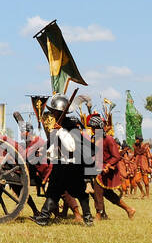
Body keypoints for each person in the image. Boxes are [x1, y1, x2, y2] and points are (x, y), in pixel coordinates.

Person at [35, 95, 93, 226]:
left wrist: (60, 131)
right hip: (60, 164)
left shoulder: (71, 126)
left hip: (72, 166)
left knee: (80, 193)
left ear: (60, 112)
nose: (53, 113)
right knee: (53, 192)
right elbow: (52, 143)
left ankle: (88, 219)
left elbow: (71, 146)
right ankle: (43, 218)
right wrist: (43, 150)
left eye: (55, 111)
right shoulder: (57, 126)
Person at [90, 115, 135, 219]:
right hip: (97, 168)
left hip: (106, 170)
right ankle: (129, 209)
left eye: (95, 127)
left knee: (97, 192)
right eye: (92, 128)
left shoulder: (109, 139)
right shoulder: (94, 139)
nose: (93, 130)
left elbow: (116, 156)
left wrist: (108, 165)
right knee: (107, 194)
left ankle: (99, 214)